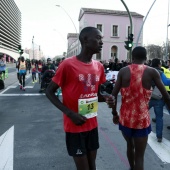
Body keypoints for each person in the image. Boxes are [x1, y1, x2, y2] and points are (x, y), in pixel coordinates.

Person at [46, 26, 106, 170]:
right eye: (98, 38)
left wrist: (107, 98)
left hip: (92, 125)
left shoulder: (99, 66)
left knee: (93, 166)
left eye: (102, 39)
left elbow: (96, 95)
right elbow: (49, 92)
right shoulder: (67, 64)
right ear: (85, 40)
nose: (101, 42)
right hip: (75, 128)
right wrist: (70, 114)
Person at [106, 46, 170, 170]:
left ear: (132, 57)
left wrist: (114, 114)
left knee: (130, 146)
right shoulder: (152, 72)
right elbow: (166, 96)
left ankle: (131, 167)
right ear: (146, 58)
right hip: (141, 120)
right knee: (139, 157)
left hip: (125, 119)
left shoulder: (123, 71)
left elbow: (112, 97)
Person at [149, 58, 170, 142]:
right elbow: (166, 82)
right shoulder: (160, 73)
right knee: (159, 117)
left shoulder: (147, 71)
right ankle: (159, 136)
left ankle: (136, 131)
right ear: (158, 64)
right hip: (158, 97)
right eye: (160, 63)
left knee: (141, 114)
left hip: (148, 97)